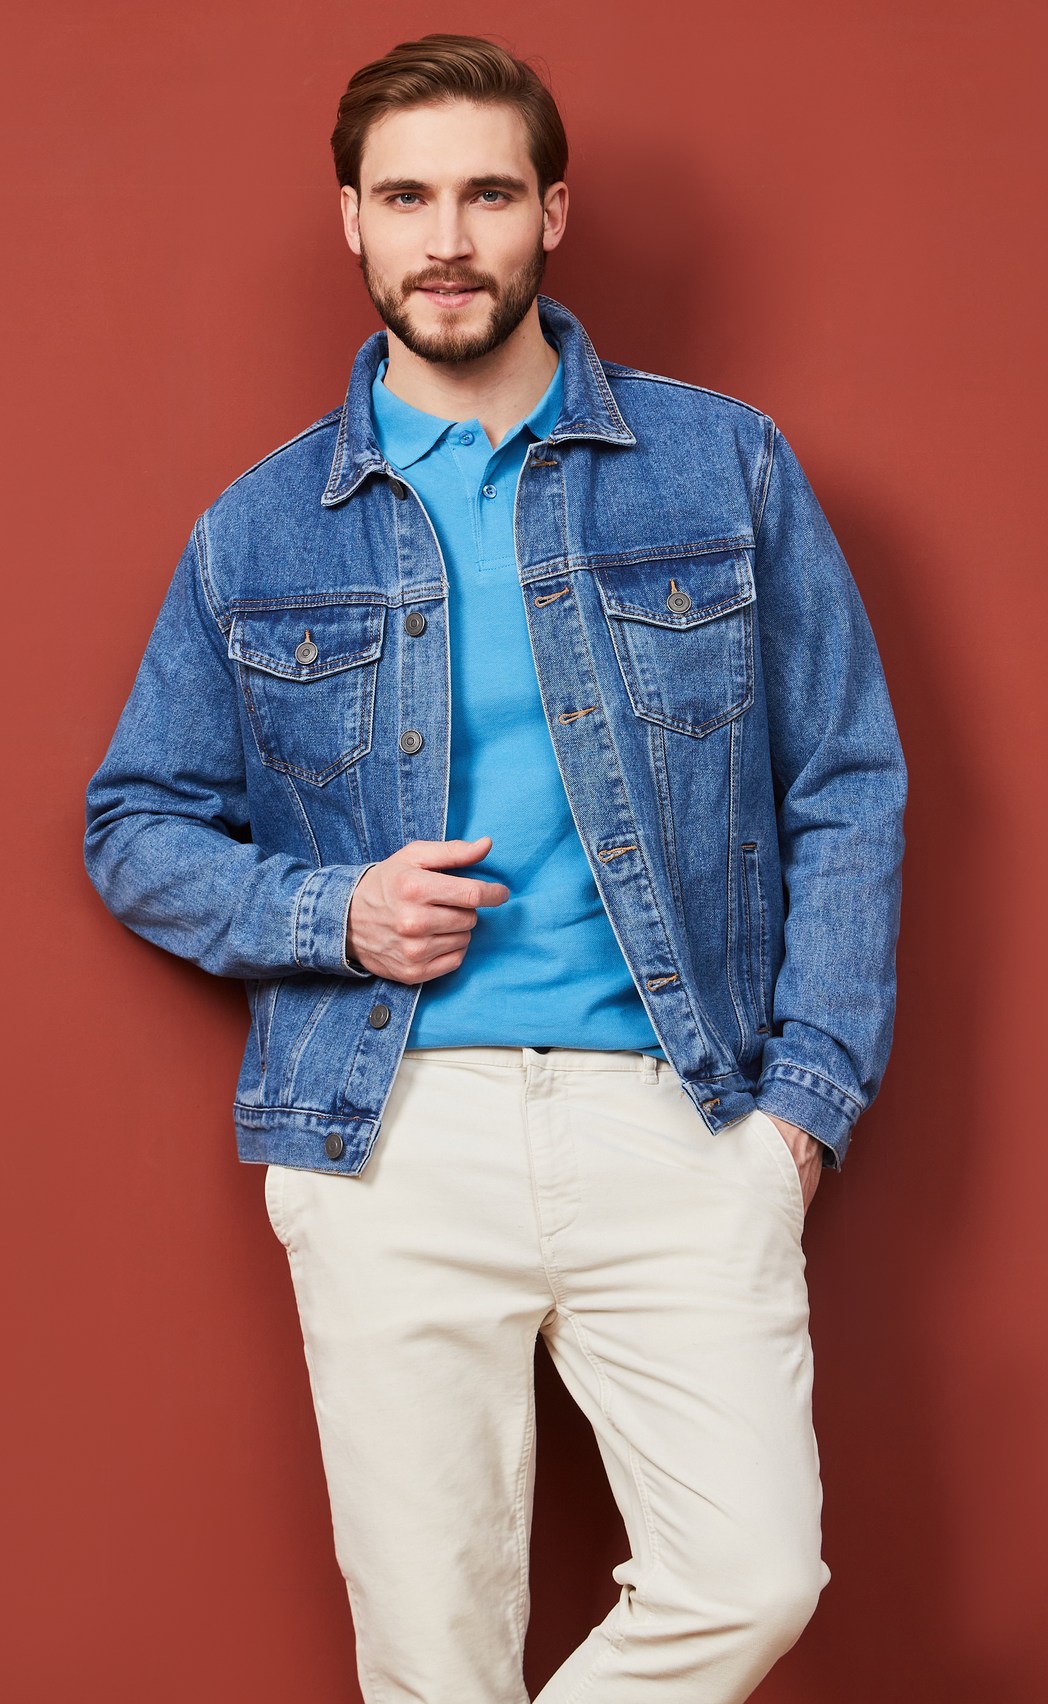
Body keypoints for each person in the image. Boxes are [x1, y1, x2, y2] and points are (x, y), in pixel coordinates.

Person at [84, 31, 908, 1704]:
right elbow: (134, 822)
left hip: (680, 1113)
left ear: (552, 211)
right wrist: (336, 912)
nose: (446, 239)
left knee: (752, 1577)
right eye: (406, 199)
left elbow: (846, 782)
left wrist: (801, 1113)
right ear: (350, 221)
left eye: (485, 194)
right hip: (389, 1131)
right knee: (432, 1657)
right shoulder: (260, 529)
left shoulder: (723, 468)